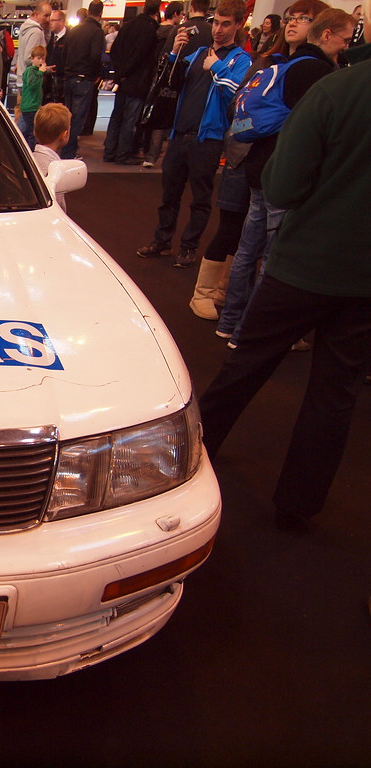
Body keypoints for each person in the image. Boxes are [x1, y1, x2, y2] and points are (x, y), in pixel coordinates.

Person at [198, 5, 371, 533]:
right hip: (364, 280)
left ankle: (193, 456)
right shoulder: (331, 82)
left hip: (305, 262)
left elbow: (283, 184)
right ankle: (299, 504)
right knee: (335, 393)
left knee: (247, 363)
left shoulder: (339, 90)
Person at [215, 2, 345, 346]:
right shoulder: (316, 72)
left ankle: (229, 323)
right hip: (284, 170)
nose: (292, 23)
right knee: (272, 256)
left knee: (247, 248)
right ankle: (249, 332)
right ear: (328, 33)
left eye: (301, 18)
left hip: (257, 162)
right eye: (293, 18)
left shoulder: (272, 63)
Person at [135, 0, 250, 268]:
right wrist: (174, 52)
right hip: (180, 133)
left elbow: (235, 93)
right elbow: (170, 81)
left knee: (200, 199)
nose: (219, 29)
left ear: (238, 25)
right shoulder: (198, 52)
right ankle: (162, 240)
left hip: (208, 138)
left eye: (225, 24)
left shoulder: (240, 59)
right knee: (169, 195)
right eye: (216, 23)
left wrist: (218, 68)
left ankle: (189, 247)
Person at [103, 0, 160, 165]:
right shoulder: (150, 30)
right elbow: (139, 56)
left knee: (117, 116)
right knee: (129, 120)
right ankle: (122, 154)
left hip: (123, 80)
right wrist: (126, 72)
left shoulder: (128, 26)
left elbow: (114, 51)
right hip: (137, 81)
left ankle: (110, 152)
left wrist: (120, 73)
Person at [59, 0, 104, 159]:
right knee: (77, 119)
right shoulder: (96, 32)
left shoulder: (74, 30)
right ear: (101, 13)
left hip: (69, 77)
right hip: (83, 78)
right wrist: (96, 73)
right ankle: (68, 153)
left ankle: (64, 150)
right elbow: (95, 56)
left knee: (67, 118)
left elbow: (64, 55)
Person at [142, 1, 184, 167]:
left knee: (151, 115)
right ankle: (154, 155)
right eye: (180, 15)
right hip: (169, 80)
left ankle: (149, 154)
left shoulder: (155, 31)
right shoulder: (176, 32)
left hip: (152, 78)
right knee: (162, 116)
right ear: (176, 14)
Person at [32, 102, 72, 212]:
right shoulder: (52, 169)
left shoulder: (30, 159)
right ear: (64, 135)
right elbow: (56, 210)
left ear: (34, 132)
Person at [16, 45, 47, 145]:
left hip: (33, 106)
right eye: (38, 58)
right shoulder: (30, 71)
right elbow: (32, 85)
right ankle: (30, 152)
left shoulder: (36, 71)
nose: (41, 61)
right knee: (32, 133)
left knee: (25, 130)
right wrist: (40, 73)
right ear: (32, 59)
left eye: (43, 58)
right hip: (30, 107)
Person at [16, 2, 50, 79]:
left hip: (23, 76)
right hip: (31, 80)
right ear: (37, 14)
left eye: (49, 15)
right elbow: (28, 58)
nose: (48, 19)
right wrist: (44, 68)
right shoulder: (36, 32)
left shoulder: (25, 27)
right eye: (46, 15)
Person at [44, 10, 68, 104]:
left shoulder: (70, 38)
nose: (50, 23)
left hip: (62, 83)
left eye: (53, 20)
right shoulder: (49, 37)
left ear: (61, 21)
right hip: (48, 84)